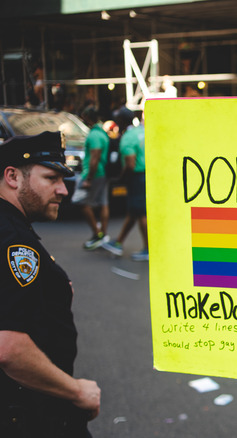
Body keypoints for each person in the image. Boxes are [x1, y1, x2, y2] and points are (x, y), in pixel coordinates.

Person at [0, 132, 101, 437]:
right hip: (29, 416)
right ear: (13, 177)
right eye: (51, 178)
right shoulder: (15, 242)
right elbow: (8, 347)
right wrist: (76, 391)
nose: (63, 190)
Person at [102, 108, 148, 261]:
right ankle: (119, 242)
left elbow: (130, 163)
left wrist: (121, 178)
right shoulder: (141, 132)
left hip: (137, 177)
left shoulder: (128, 138)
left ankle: (148, 249)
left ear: (121, 122)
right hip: (147, 175)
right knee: (134, 211)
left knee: (140, 213)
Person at [77, 106, 111, 250]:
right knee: (103, 203)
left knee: (82, 203)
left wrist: (89, 178)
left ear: (88, 118)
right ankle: (102, 233)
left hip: (95, 173)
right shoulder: (102, 133)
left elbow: (94, 158)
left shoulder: (94, 135)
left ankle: (98, 235)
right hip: (102, 172)